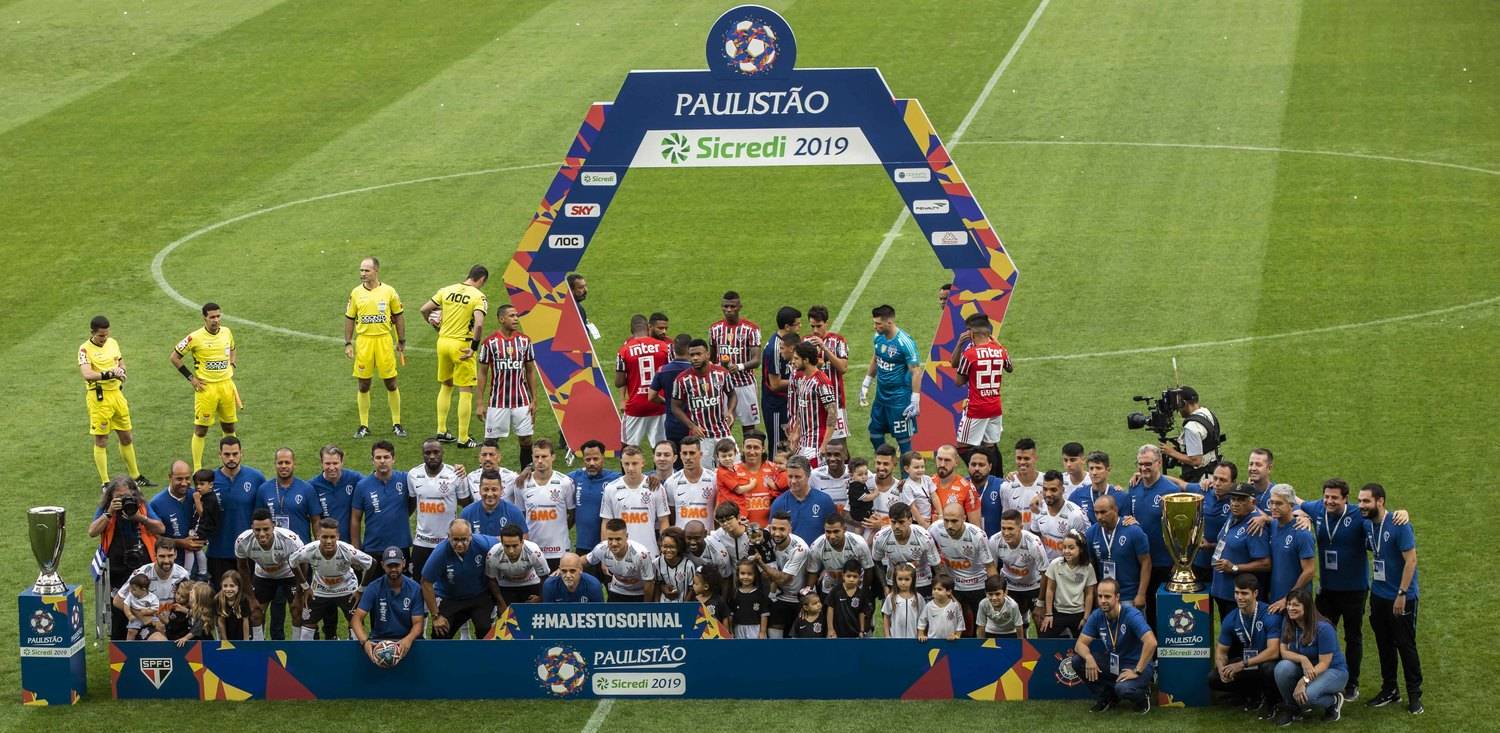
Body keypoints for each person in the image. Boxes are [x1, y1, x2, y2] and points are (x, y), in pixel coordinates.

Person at [1301, 478, 1371, 701]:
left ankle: (1352, 682)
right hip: (1327, 591)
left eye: (1334, 498)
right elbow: (1294, 501)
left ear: (1346, 499)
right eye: (1326, 497)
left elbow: (1382, 517)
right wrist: (1300, 515)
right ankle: (1318, 677)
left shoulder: (1358, 515)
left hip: (1354, 591)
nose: (1329, 501)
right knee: (1318, 634)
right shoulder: (1317, 509)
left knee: (1353, 637)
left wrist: (1403, 513)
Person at [1360, 483, 1422, 714]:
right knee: (1384, 645)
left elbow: (1411, 561)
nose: (1362, 505)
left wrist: (1402, 594)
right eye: (1360, 501)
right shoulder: (1367, 524)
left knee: (1405, 646)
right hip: (1378, 596)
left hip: (1402, 597)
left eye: (1366, 501)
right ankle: (1390, 690)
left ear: (1380, 501)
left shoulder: (1399, 524)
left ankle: (1415, 695)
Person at [419, 264, 489, 448]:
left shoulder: (446, 290)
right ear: (482, 279)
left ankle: (441, 430)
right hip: (461, 346)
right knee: (465, 389)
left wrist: (436, 327)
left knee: (446, 384)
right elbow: (479, 324)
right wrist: (474, 347)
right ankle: (463, 438)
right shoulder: (478, 296)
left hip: (443, 343)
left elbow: (424, 309)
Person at [79, 315, 150, 488]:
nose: (104, 339)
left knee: (126, 436)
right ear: (93, 333)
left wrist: (122, 371)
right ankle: (105, 482)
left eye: (106, 334)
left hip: (117, 395)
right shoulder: (84, 349)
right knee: (101, 439)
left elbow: (120, 362)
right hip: (99, 398)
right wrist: (110, 374)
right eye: (101, 336)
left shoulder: (113, 343)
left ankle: (135, 476)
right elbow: (87, 374)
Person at [91, 476, 166, 639]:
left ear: (134, 493)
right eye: (119, 497)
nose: (124, 500)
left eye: (127, 496)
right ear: (111, 497)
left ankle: (146, 642)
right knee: (118, 610)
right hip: (117, 569)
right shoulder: (106, 508)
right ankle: (120, 650)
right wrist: (109, 513)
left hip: (142, 567)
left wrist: (139, 518)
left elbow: (161, 528)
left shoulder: (141, 507)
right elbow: (92, 531)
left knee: (145, 605)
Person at [1071, 578, 1158, 713]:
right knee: (1077, 661)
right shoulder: (1097, 615)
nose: (1103, 600)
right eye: (1100, 596)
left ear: (1117, 597)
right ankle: (1107, 697)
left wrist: (1137, 670)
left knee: (1123, 689)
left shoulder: (1131, 614)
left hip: (1137, 664)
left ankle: (1143, 695)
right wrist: (1089, 658)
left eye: (1107, 596)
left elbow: (1151, 642)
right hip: (1114, 663)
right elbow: (1080, 644)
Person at [170, 302, 238, 471]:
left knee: (229, 426)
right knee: (201, 429)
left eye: (218, 316)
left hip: (226, 387)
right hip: (206, 389)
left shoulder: (227, 332)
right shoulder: (195, 337)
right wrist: (191, 378)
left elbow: (233, 349)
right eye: (212, 317)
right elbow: (174, 357)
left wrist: (232, 364)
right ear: (204, 318)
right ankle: (197, 469)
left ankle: (230, 461)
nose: (216, 320)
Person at [343, 256, 407, 438]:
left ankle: (397, 423)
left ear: (376, 271)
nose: (362, 274)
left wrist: (401, 340)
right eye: (361, 270)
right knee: (363, 384)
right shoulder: (355, 293)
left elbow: (399, 315)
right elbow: (349, 318)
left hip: (384, 341)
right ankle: (363, 425)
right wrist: (348, 343)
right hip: (364, 342)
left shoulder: (389, 292)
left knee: (391, 382)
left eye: (366, 270)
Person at [1273, 587, 1349, 724]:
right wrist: (1303, 659)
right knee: (1282, 668)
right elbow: (1283, 652)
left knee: (1308, 696)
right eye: (1289, 604)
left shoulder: (1324, 628)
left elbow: (1324, 663)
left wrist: (1303, 681)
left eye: (1296, 605)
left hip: (1332, 671)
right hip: (1307, 668)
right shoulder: (1288, 622)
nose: (1290, 608)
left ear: (1307, 607)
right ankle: (1293, 708)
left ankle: (1333, 701)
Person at [1122, 444, 1179, 628]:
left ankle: (1157, 654)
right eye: (1140, 464)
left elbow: (1179, 531)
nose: (1144, 468)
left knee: (1159, 612)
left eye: (1148, 464)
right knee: (1137, 610)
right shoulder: (1134, 487)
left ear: (1159, 463)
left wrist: (1177, 562)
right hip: (1137, 562)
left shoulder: (1170, 491)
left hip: (1162, 563)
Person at [1210, 573, 1282, 717]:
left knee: (1268, 669)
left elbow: (1273, 651)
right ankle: (1252, 694)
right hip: (1249, 663)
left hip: (1269, 662)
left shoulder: (1269, 614)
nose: (1239, 597)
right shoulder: (1231, 618)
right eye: (1237, 593)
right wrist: (1221, 668)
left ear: (1255, 593)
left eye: (1244, 593)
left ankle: (1274, 702)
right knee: (1214, 678)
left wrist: (1242, 664)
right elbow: (1221, 651)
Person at [290, 517, 372, 640]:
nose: (328, 541)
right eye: (324, 537)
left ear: (338, 537)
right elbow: (292, 561)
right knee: (307, 627)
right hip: (320, 590)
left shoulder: (347, 550)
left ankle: (354, 656)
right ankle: (305, 657)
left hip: (346, 589)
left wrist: (361, 589)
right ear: (318, 536)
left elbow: (371, 563)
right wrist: (305, 587)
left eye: (332, 537)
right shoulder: (309, 550)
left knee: (356, 624)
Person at [476, 303, 537, 463]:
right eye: (512, 316)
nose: (516, 319)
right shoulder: (489, 343)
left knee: (526, 440)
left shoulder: (525, 341)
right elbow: (482, 373)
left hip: (521, 401)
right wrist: (480, 403)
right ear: (501, 319)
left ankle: (526, 476)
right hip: (497, 401)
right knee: (490, 443)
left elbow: (530, 371)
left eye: (517, 315)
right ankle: (489, 479)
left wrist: (534, 400)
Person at [950, 313, 1011, 468]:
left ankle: (981, 474)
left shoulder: (970, 354)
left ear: (971, 332)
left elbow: (958, 382)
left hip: (977, 408)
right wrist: (999, 345)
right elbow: (1009, 367)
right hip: (995, 406)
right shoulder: (999, 350)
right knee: (990, 446)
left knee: (962, 446)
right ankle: (996, 479)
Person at [420, 519, 498, 639]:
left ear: (471, 536)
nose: (460, 544)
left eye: (464, 539)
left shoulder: (483, 543)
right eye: (456, 539)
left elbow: (501, 542)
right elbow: (426, 582)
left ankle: (484, 656)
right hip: (451, 598)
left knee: (485, 630)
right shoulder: (440, 553)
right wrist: (436, 616)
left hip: (479, 595)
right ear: (448, 537)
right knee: (440, 633)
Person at [235, 508, 305, 640]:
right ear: (252, 528)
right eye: (257, 530)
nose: (262, 534)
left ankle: (297, 645)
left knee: (297, 610)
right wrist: (250, 598)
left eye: (266, 529)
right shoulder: (243, 541)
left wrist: (300, 593)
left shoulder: (289, 539)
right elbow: (242, 567)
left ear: (273, 526)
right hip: (263, 575)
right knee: (255, 612)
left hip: (289, 574)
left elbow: (303, 564)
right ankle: (258, 645)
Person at [860, 304, 921, 453]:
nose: (875, 326)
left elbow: (916, 371)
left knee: (903, 440)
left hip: (899, 399)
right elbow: (876, 358)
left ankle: (907, 476)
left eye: (878, 323)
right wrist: (866, 383)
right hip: (881, 397)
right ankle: (887, 463)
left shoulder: (905, 342)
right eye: (874, 323)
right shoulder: (878, 337)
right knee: (874, 434)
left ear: (889, 322)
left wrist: (915, 400)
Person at [206, 436, 265, 587]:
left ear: (241, 453)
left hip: (249, 551)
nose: (231, 458)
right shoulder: (209, 481)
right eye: (226, 454)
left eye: (235, 454)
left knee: (249, 599)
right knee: (220, 599)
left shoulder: (256, 478)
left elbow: (263, 514)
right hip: (218, 551)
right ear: (219, 455)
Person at [350, 441, 412, 581]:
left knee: (401, 588)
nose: (382, 461)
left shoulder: (405, 479)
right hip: (373, 547)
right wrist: (356, 549)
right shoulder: (362, 486)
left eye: (386, 457)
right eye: (378, 458)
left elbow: (412, 503)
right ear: (372, 460)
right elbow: (355, 519)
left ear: (393, 459)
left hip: (401, 545)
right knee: (373, 591)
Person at [509, 438, 576, 570]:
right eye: (536, 456)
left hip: (559, 549)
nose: (540, 461)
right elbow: (521, 516)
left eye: (544, 456)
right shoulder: (521, 484)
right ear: (532, 458)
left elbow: (572, 513)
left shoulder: (565, 483)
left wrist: (560, 531)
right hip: (532, 548)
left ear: (553, 457)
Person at [932, 503, 998, 635]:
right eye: (946, 520)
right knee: (952, 627)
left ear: (964, 518)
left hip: (977, 586)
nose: (949, 525)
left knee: (980, 627)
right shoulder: (934, 530)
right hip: (954, 586)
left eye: (954, 521)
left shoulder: (977, 535)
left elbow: (990, 567)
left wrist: (995, 592)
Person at [408, 439, 471, 575]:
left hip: (447, 541)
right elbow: (412, 502)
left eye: (436, 452)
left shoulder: (456, 474)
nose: (432, 456)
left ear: (443, 452)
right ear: (422, 454)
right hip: (421, 542)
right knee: (421, 581)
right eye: (427, 453)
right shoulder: (413, 474)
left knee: (450, 581)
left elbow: (466, 504)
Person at [352, 547, 424, 663]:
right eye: (390, 566)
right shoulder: (373, 587)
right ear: (382, 565)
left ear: (404, 563)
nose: (393, 569)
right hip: (380, 640)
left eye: (397, 565)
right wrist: (365, 642)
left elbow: (418, 623)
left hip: (406, 640)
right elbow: (356, 619)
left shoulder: (415, 588)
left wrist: (408, 639)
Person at [1210, 484, 1271, 620]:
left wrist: (1235, 567)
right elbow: (1230, 544)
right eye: (1233, 499)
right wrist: (1209, 545)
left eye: (1241, 500)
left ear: (1252, 502)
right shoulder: (1234, 516)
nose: (1235, 504)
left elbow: (1265, 563)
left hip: (1240, 596)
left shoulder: (1254, 525)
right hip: (1223, 590)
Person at [1084, 495, 1152, 610]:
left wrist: (1141, 594)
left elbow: (1146, 563)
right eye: (1096, 513)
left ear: (1115, 509)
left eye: (1103, 512)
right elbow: (1091, 566)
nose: (1099, 517)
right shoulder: (1091, 533)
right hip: (1104, 597)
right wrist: (1096, 594)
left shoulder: (1133, 531)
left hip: (1129, 596)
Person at [674, 338, 738, 458]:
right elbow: (675, 407)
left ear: (707, 355)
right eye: (692, 355)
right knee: (705, 474)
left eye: (698, 354)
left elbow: (732, 394)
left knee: (733, 467)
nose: (695, 358)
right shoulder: (682, 379)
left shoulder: (722, 373)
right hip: (701, 436)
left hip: (723, 432)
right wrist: (692, 426)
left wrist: (730, 412)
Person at [708, 290, 762, 432]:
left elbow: (756, 360)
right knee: (722, 427)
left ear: (740, 307)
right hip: (723, 386)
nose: (729, 310)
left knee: (749, 428)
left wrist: (739, 366)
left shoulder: (751, 329)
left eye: (732, 306)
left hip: (745, 385)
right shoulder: (715, 329)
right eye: (725, 306)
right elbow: (712, 358)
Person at [114, 539, 189, 640]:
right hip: (147, 626)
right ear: (155, 555)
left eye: (170, 555)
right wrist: (147, 619)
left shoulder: (182, 575)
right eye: (162, 556)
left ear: (175, 554)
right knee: (161, 642)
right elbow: (117, 601)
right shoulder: (143, 574)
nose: (166, 561)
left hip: (172, 623)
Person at [600, 445, 669, 554]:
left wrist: (665, 547)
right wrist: (605, 554)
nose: (630, 468)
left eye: (634, 463)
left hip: (649, 552)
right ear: (621, 463)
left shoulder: (656, 487)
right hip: (620, 554)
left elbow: (663, 521)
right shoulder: (611, 489)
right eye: (627, 464)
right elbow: (606, 522)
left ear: (642, 463)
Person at [615, 314, 671, 450]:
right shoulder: (664, 347)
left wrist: (622, 398)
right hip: (659, 403)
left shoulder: (624, 350)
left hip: (636, 406)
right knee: (661, 447)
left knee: (628, 447)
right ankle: (660, 471)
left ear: (631, 330)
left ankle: (627, 472)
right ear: (648, 328)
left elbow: (619, 381)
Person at [990, 509, 1049, 633]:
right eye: (1003, 528)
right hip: (1010, 587)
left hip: (1033, 586)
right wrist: (999, 592)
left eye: (1010, 529)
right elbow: (992, 569)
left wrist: (1040, 603)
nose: (1006, 533)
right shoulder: (995, 540)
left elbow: (1045, 574)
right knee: (1011, 627)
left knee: (1041, 623)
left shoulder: (1033, 542)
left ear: (1021, 527)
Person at [870, 502, 941, 598]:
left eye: (901, 522)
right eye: (893, 522)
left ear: (910, 520)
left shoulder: (924, 537)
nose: (897, 526)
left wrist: (939, 587)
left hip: (921, 581)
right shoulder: (880, 537)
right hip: (894, 581)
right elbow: (877, 561)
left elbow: (936, 565)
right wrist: (885, 586)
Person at [1266, 484, 1316, 612]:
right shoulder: (1273, 525)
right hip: (1275, 599)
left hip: (1296, 603)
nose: (1273, 507)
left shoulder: (1302, 533)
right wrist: (1262, 518)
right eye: (1271, 503)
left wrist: (1288, 598)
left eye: (1278, 504)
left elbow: (1309, 571)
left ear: (1291, 505)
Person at [717, 433, 784, 527]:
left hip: (769, 531)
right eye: (748, 447)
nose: (752, 452)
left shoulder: (774, 470)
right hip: (741, 531)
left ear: (763, 449)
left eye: (756, 447)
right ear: (742, 449)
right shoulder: (731, 472)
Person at [785, 341, 837, 463]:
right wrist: (796, 432)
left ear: (806, 360)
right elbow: (802, 409)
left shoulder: (821, 382)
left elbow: (832, 414)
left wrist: (824, 444)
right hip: (804, 442)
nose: (793, 362)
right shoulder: (803, 379)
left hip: (816, 443)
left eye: (797, 358)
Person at [1157, 386, 1222, 483]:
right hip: (1213, 471)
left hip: (1201, 479)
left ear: (1184, 403)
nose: (1178, 411)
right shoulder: (1207, 413)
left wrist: (1171, 452)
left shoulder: (1192, 427)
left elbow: (1196, 460)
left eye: (1178, 405)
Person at [768, 456, 836, 545]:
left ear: (808, 476)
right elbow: (772, 534)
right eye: (790, 476)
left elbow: (834, 532)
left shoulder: (824, 501)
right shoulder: (779, 503)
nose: (793, 481)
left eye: (797, 477)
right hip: (790, 557)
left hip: (817, 557)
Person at [255, 448, 320, 542]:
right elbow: (258, 520)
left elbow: (316, 520)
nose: (283, 466)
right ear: (275, 464)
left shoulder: (307, 489)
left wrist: (317, 545)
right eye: (280, 463)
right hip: (273, 548)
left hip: (300, 548)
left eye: (287, 462)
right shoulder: (264, 489)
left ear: (294, 464)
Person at [805, 305, 849, 440]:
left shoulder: (838, 341)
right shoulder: (805, 342)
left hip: (835, 403)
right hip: (812, 405)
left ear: (826, 323)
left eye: (818, 326)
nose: (815, 330)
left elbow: (843, 368)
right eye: (812, 326)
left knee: (838, 445)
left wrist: (824, 348)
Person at [762, 513, 810, 637]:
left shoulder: (800, 548)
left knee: (797, 641)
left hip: (799, 598)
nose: (777, 533)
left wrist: (761, 564)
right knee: (774, 638)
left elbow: (784, 579)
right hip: (778, 597)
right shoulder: (766, 539)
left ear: (790, 529)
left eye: (782, 529)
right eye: (774, 528)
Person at [1041, 530, 1096, 638]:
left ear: (1080, 549)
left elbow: (1089, 594)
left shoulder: (1088, 567)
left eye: (1071, 548)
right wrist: (1048, 614)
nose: (1066, 551)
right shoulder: (1055, 564)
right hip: (1058, 612)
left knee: (1086, 640)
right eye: (1064, 547)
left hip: (1079, 613)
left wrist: (1086, 618)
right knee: (1044, 637)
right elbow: (1050, 589)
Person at [805, 513, 876, 596]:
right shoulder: (816, 546)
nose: (832, 536)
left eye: (836, 531)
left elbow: (868, 569)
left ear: (844, 529)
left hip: (855, 587)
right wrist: (808, 593)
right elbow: (812, 572)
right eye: (828, 532)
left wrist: (865, 591)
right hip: (830, 587)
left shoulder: (859, 543)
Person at [586, 519, 656, 602]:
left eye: (618, 539)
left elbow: (649, 583)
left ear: (626, 537)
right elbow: (584, 561)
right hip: (616, 591)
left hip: (639, 593)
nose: (614, 543)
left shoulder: (641, 554)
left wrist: (646, 608)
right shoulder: (601, 548)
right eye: (610, 539)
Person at [569, 439, 619, 555]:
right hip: (583, 546)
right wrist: (529, 468)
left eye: (595, 459)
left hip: (609, 545)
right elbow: (551, 476)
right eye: (588, 459)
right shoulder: (575, 477)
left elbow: (638, 477)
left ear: (603, 458)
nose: (591, 463)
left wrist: (653, 477)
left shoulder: (615, 479)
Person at [760, 307, 799, 450]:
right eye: (797, 324)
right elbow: (775, 384)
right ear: (787, 327)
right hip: (776, 405)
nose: (800, 327)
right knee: (778, 447)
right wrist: (800, 382)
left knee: (790, 445)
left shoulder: (786, 342)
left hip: (786, 403)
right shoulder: (776, 348)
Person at [486, 524, 549, 609]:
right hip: (506, 585)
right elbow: (491, 579)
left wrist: (540, 597)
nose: (511, 551)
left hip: (531, 583)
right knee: (510, 620)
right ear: (501, 542)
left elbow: (544, 577)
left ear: (522, 542)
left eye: (515, 546)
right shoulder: (493, 554)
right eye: (507, 546)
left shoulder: (534, 552)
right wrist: (501, 604)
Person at [1029, 470, 1088, 562]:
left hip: (1067, 567)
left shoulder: (1075, 515)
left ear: (1063, 490)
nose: (1048, 494)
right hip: (1045, 565)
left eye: (1053, 490)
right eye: (1045, 489)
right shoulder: (1039, 508)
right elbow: (1034, 538)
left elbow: (1083, 549)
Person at [649, 334, 696, 446]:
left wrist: (667, 402)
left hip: (672, 423)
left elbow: (651, 396)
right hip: (694, 423)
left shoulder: (662, 370)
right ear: (690, 349)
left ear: (674, 349)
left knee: (675, 457)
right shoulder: (696, 370)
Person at [310, 445, 363, 544]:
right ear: (321, 463)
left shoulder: (355, 479)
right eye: (327, 463)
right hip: (327, 543)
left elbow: (371, 485)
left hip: (350, 544)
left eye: (335, 463)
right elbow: (314, 520)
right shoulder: (313, 486)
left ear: (342, 462)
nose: (331, 467)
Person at [149, 460, 198, 565]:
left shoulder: (196, 496)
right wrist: (179, 543)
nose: (184, 483)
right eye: (179, 479)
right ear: (170, 477)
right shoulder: (157, 503)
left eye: (187, 478)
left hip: (197, 559)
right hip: (169, 563)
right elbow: (153, 535)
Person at [460, 468, 529, 538]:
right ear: (480, 490)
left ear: (501, 490)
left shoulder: (514, 513)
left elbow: (524, 538)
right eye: (486, 489)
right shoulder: (467, 514)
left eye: (494, 489)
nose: (490, 494)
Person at [666, 438, 716, 529]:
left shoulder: (714, 479)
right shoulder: (671, 482)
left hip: (708, 538)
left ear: (700, 454)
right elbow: (671, 513)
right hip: (682, 538)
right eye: (685, 453)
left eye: (692, 453)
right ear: (680, 455)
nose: (688, 457)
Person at [1070, 450, 1125, 526]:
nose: (1094, 473)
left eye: (1098, 468)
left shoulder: (1120, 497)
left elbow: (1126, 524)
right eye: (1091, 468)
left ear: (1108, 470)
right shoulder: (1077, 495)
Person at [931, 445, 981, 528]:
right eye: (940, 459)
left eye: (947, 460)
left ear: (956, 461)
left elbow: (975, 528)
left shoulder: (967, 488)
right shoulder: (928, 482)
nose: (942, 464)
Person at [184, 469, 221, 580]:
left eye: (202, 484)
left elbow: (202, 513)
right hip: (203, 527)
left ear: (211, 485)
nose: (198, 487)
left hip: (202, 528)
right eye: (197, 484)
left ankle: (187, 572)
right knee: (198, 549)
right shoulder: (207, 496)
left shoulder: (210, 498)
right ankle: (202, 571)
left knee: (189, 548)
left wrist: (196, 500)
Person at [999, 438, 1044, 526]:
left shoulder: (1047, 482)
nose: (1022, 462)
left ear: (1035, 458)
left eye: (1026, 458)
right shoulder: (1006, 486)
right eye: (1019, 458)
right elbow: (1006, 517)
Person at [727, 559, 771, 639]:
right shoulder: (735, 594)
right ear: (738, 574)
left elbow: (764, 615)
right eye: (743, 573)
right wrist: (730, 631)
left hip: (755, 629)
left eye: (749, 574)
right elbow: (730, 615)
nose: (746, 577)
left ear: (755, 575)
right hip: (738, 628)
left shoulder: (760, 594)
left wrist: (762, 632)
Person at [651, 527, 697, 603]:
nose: (668, 550)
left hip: (682, 606)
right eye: (665, 546)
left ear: (679, 547)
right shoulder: (656, 563)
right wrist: (657, 604)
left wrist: (685, 606)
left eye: (672, 547)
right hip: (663, 607)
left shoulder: (688, 565)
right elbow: (657, 585)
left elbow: (691, 589)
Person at [825, 560, 867, 638]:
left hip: (855, 633)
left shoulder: (861, 594)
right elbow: (830, 609)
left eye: (855, 576)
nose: (851, 579)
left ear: (859, 577)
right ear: (843, 576)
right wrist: (830, 629)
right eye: (848, 576)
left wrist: (861, 630)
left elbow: (862, 613)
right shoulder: (836, 591)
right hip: (837, 634)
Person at [541, 553, 606, 602]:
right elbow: (548, 613)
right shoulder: (550, 585)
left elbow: (599, 613)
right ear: (559, 569)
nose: (568, 575)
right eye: (564, 571)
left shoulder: (593, 585)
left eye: (572, 571)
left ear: (581, 570)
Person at [917, 575, 964, 642]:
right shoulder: (929, 606)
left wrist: (957, 635)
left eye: (939, 589)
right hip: (933, 641)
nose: (936, 591)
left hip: (951, 641)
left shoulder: (955, 606)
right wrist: (921, 634)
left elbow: (960, 622)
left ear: (949, 592)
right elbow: (922, 621)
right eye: (934, 589)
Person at [882, 563, 923, 639]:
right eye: (900, 579)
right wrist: (887, 635)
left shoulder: (918, 598)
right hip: (895, 638)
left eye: (907, 579)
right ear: (895, 579)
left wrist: (921, 634)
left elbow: (923, 618)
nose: (903, 582)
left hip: (914, 639)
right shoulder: (891, 597)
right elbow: (886, 617)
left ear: (913, 580)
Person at [970, 450, 1005, 537]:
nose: (977, 468)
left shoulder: (1001, 486)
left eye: (981, 465)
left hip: (994, 544)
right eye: (973, 464)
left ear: (990, 467)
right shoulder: (962, 485)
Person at [809, 442, 851, 513]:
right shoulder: (814, 475)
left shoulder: (856, 473)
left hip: (851, 521)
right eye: (828, 455)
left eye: (837, 455)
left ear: (845, 455)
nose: (832, 459)